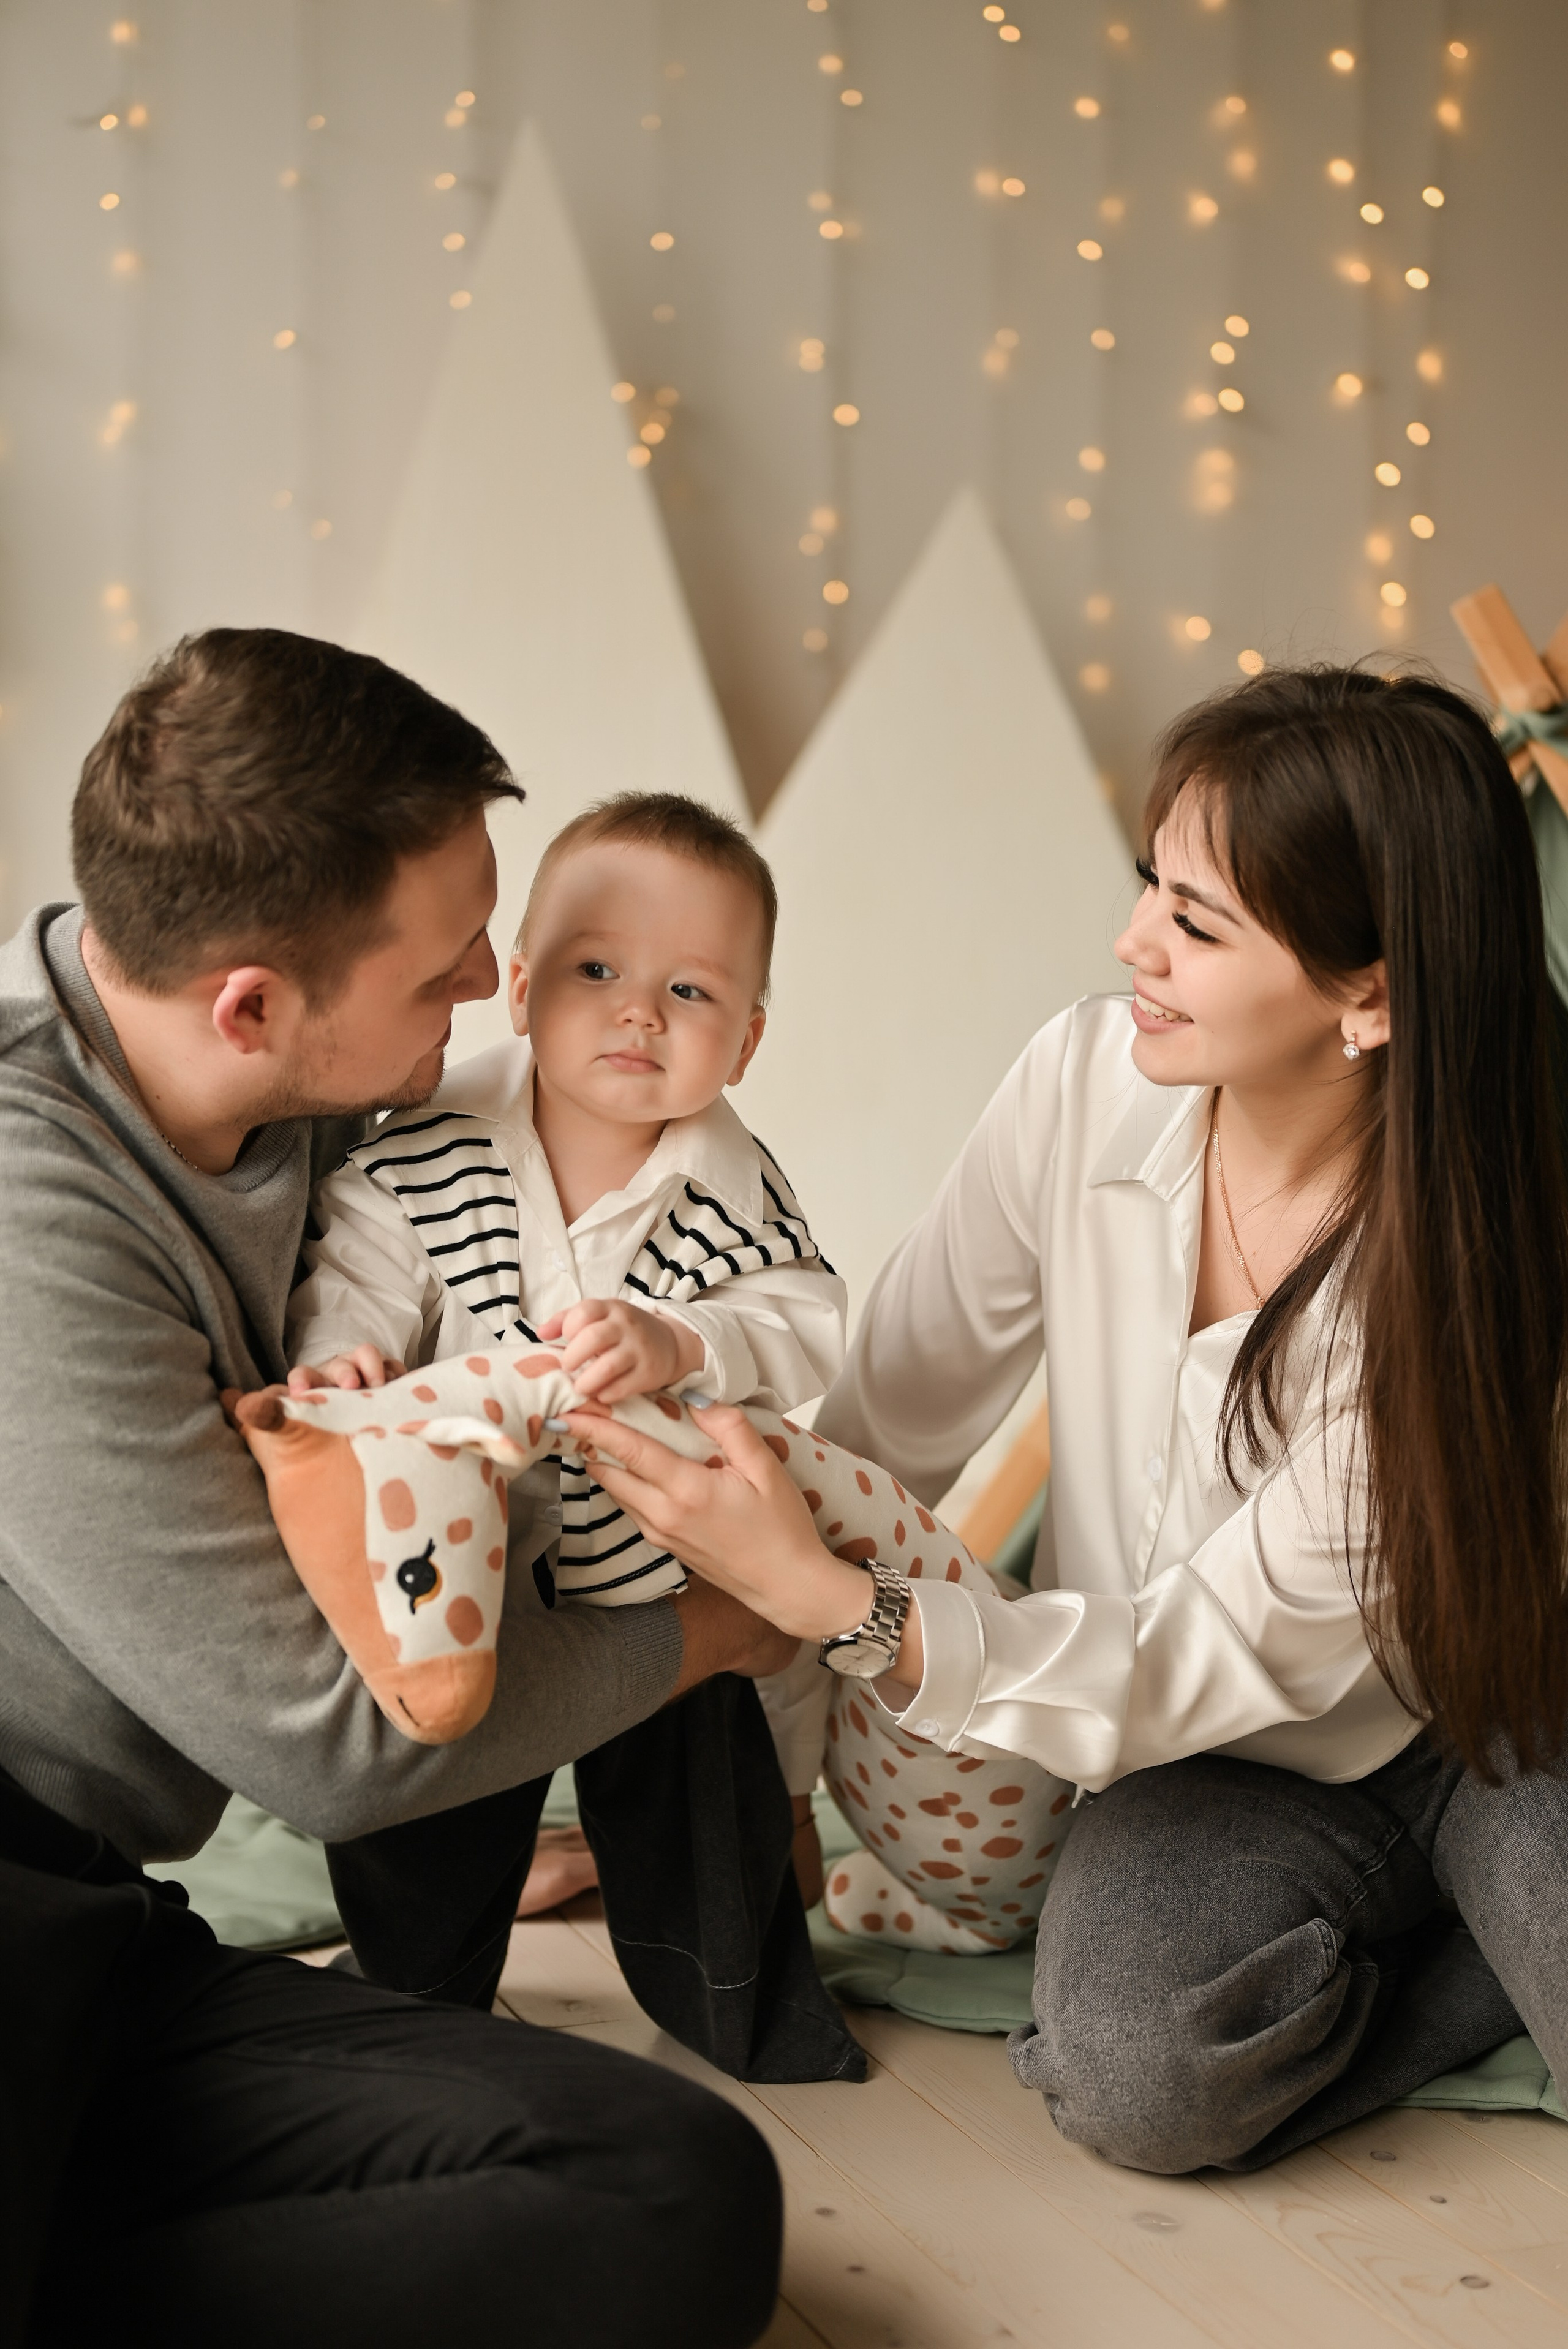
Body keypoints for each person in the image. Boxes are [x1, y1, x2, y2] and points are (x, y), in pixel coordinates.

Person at [558, 665, 1568, 2174]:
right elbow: (891, 1415)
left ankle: (1471, 1949)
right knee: (1127, 2073)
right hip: (1209, 1758)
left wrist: (836, 1607)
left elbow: (1198, 1647)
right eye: (1149, 882)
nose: (1131, 941)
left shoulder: (1468, 1269)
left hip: (1502, 1712)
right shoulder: (1084, 1082)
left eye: (1196, 923)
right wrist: (761, 1778)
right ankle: (1462, 1960)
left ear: (1368, 992)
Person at [0, 627, 795, 2343]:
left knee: (668, 2188)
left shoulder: (311, 1103)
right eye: (445, 972)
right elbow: (332, 1746)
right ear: (252, 1005)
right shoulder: (25, 1207)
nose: (496, 990)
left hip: (98, 1928)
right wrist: (726, 1629)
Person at [285, 792, 846, 1904]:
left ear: (745, 1040)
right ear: (522, 989)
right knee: (434, 1796)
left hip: (665, 1554)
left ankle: (739, 1933)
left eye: (690, 991)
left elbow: (804, 1320)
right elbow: (357, 1265)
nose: (640, 1013)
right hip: (472, 1546)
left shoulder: (736, 1196)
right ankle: (423, 1975)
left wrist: (684, 1338)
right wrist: (345, 1356)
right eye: (597, 971)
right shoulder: (428, 1149)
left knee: (706, 1793)